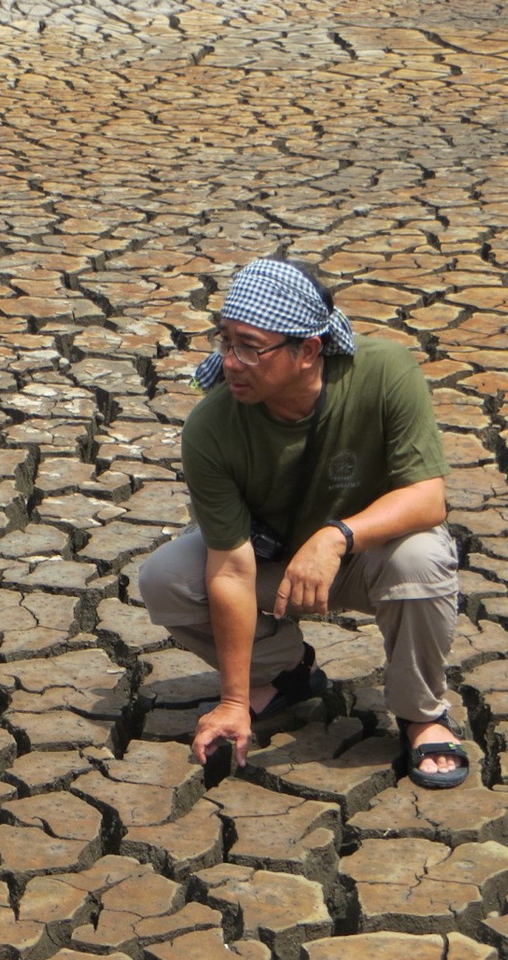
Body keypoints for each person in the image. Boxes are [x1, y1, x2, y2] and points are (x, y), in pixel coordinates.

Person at [137, 256, 468, 788]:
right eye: (225, 341)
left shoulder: (384, 372)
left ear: (308, 350)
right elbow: (229, 568)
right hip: (277, 566)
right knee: (166, 579)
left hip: (371, 559)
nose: (231, 362)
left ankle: (421, 714)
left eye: (250, 346)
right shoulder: (213, 426)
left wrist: (336, 538)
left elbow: (428, 499)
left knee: (423, 555)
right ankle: (285, 673)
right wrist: (234, 701)